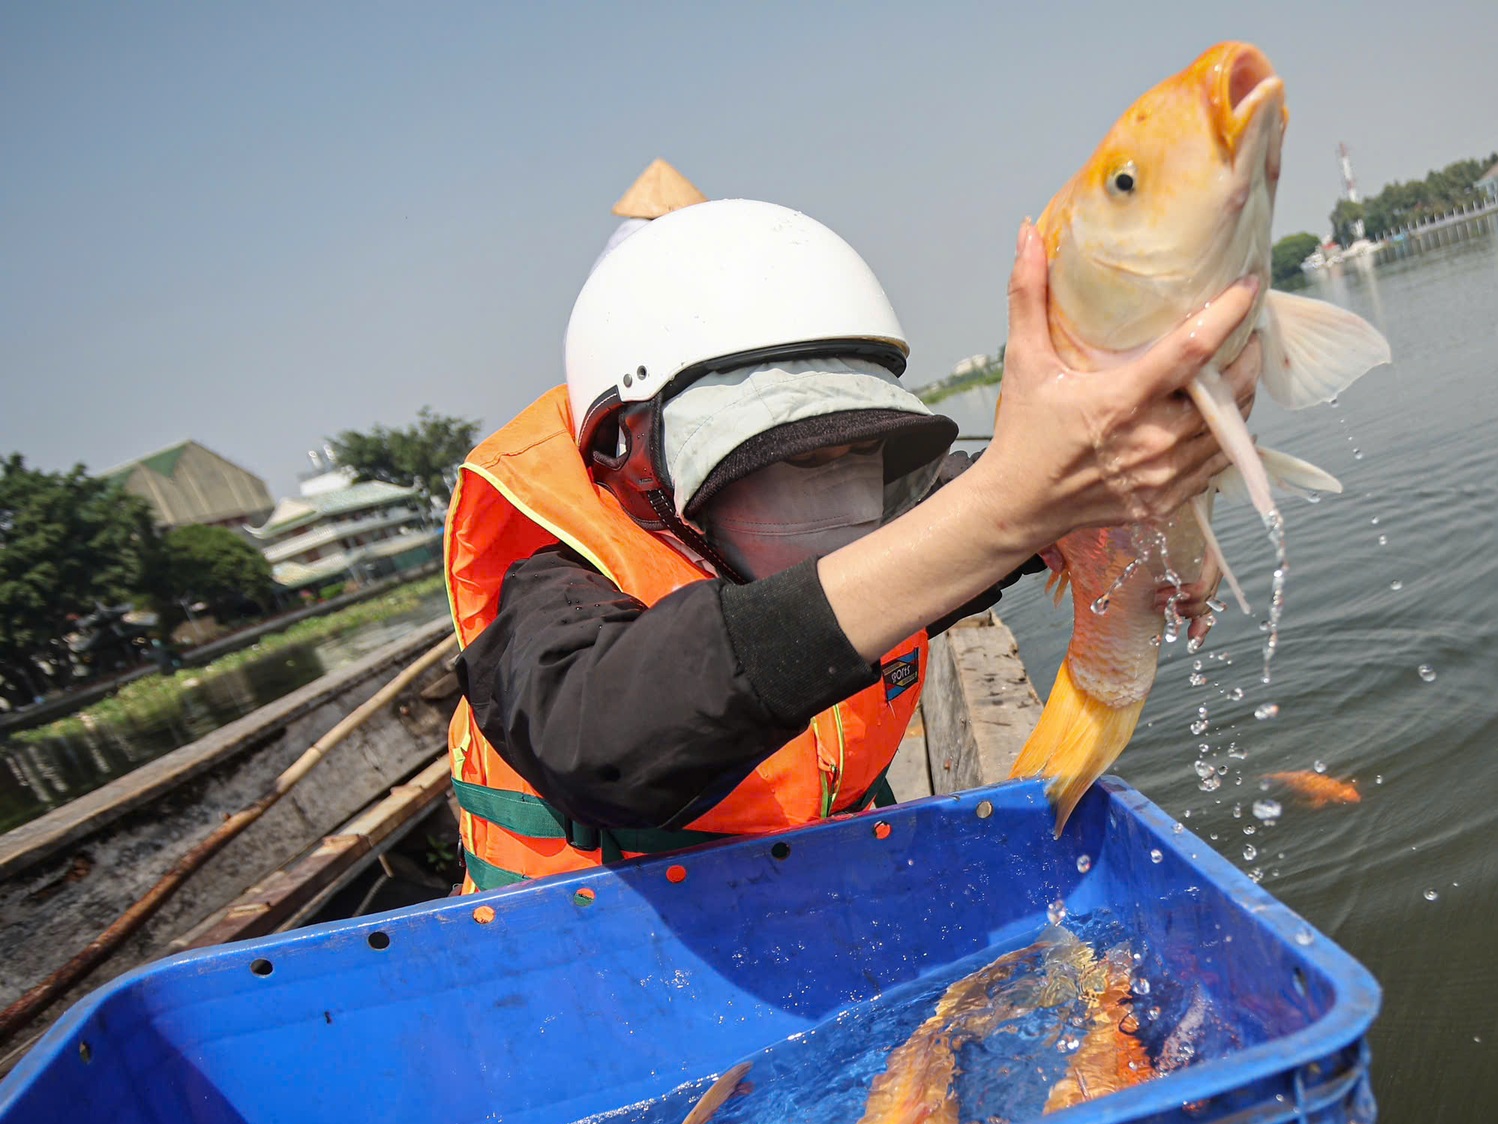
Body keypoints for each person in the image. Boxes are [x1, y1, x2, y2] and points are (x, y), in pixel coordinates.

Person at [445, 190, 1259, 893]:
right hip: (591, 978)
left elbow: (996, 498)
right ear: (631, 459)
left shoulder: (892, 518)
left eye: (860, 445)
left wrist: (1114, 505)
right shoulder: (548, 592)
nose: (844, 494)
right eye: (786, 454)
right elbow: (599, 738)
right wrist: (1007, 511)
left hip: (824, 911)